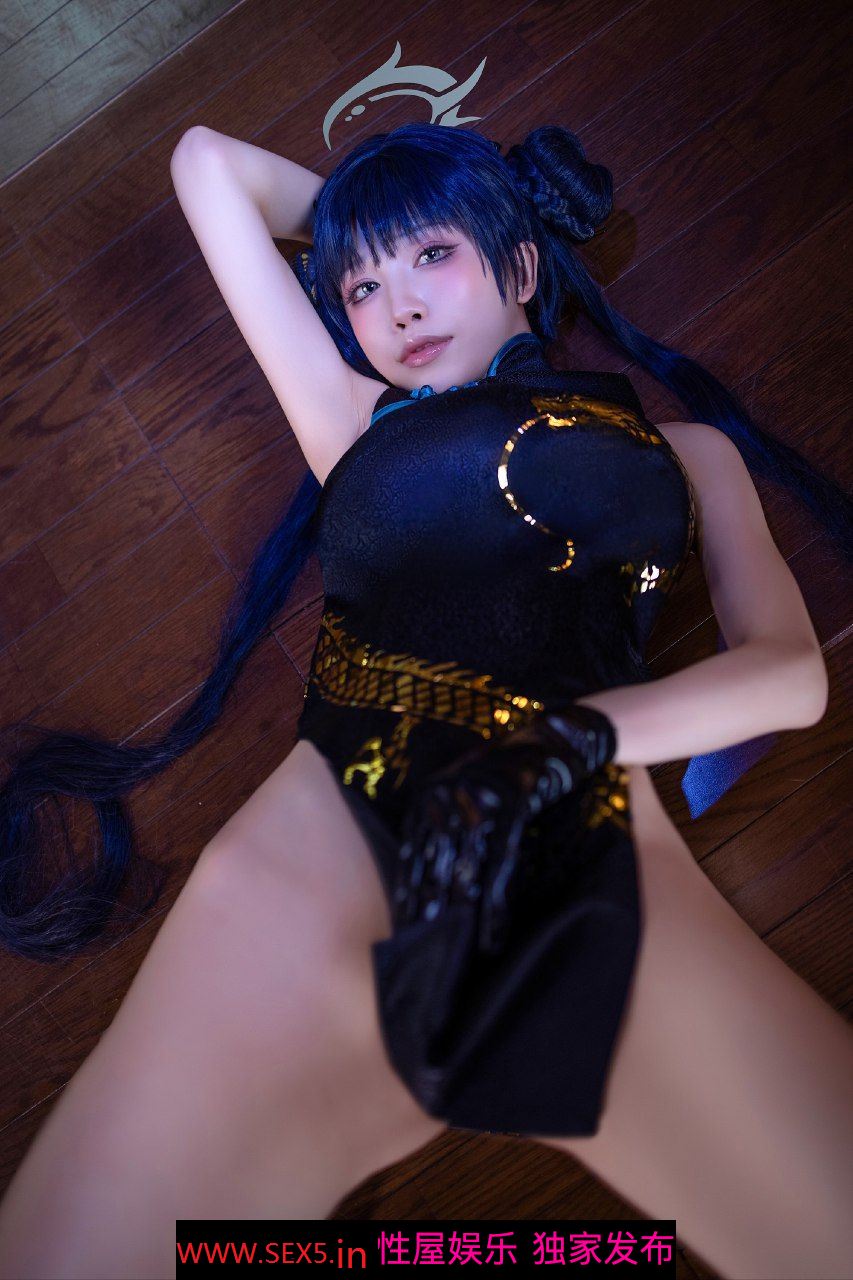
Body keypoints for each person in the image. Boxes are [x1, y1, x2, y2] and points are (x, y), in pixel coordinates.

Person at [0, 121, 850, 1280]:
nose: (395, 305)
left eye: (431, 257)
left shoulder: (688, 450)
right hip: (299, 896)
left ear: (520, 264)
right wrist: (397, 224)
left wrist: (578, 733)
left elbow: (790, 676)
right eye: (360, 285)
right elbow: (204, 162)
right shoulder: (347, 420)